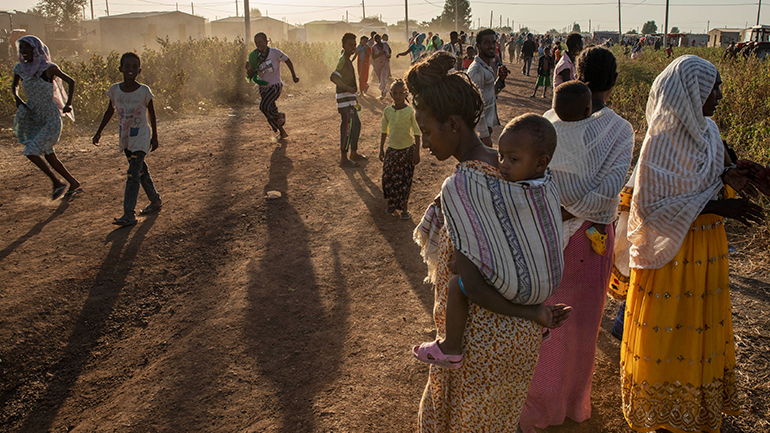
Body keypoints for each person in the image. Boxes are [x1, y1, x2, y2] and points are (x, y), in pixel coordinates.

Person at [407, 52, 571, 432]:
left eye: (428, 132)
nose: (425, 143)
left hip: (481, 342)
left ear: (453, 124)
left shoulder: (465, 185)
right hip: (520, 341)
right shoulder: (511, 170)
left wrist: (536, 314)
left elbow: (473, 286)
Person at [612, 55, 765, 433]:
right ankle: (663, 411)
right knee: (668, 330)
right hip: (671, 255)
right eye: (715, 87)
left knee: (699, 326)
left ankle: (695, 403)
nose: (720, 95)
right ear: (693, 92)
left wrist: (730, 174)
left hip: (706, 250)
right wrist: (718, 205)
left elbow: (704, 179)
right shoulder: (660, 142)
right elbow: (649, 207)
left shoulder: (710, 132)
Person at [519, 46, 634, 433]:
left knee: (548, 323)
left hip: (549, 235)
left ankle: (538, 404)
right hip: (592, 238)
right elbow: (609, 191)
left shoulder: (550, 119)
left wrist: (561, 209)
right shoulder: (621, 130)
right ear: (614, 81)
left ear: (576, 74)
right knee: (583, 323)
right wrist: (579, 211)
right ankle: (572, 403)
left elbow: (534, 177)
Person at [413, 112, 567, 368]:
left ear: (541, 163)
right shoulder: (546, 186)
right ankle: (535, 323)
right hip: (547, 287)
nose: (504, 165)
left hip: (518, 296)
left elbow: (482, 265)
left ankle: (450, 347)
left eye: (513, 159)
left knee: (457, 283)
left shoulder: (489, 188)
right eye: (502, 157)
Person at [92, 52, 162, 226]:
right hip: (126, 137)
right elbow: (110, 111)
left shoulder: (144, 91)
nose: (130, 69)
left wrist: (154, 136)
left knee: (132, 174)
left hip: (141, 137)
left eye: (134, 67)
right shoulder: (115, 90)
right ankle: (155, 200)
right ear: (120, 69)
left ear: (139, 70)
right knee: (140, 171)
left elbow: (152, 113)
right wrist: (99, 131)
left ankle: (129, 213)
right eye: (127, 66)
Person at [12, 35, 81, 200]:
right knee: (49, 154)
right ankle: (73, 183)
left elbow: (71, 82)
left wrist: (68, 104)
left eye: (27, 48)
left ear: (35, 49)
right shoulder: (20, 69)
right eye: (21, 49)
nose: (23, 52)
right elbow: (14, 86)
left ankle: (57, 182)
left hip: (50, 118)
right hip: (34, 116)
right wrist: (17, 98)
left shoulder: (48, 69)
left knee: (31, 152)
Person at [379, 80, 421, 219]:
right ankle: (392, 203)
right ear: (390, 94)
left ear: (406, 94)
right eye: (395, 93)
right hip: (392, 150)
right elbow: (384, 130)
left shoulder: (410, 111)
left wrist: (417, 152)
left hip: (407, 151)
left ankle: (404, 209)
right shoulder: (387, 111)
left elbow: (416, 132)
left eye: (401, 93)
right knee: (387, 178)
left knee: (404, 181)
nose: (398, 96)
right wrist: (381, 148)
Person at [245, 32, 299, 140]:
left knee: (264, 106)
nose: (258, 45)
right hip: (263, 87)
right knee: (270, 109)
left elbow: (287, 61)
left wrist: (294, 75)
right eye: (256, 43)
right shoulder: (254, 56)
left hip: (275, 86)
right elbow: (251, 75)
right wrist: (248, 69)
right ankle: (282, 131)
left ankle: (279, 117)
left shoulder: (274, 53)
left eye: (260, 42)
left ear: (266, 41)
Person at [467, 29, 509, 146]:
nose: (491, 46)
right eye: (486, 43)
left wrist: (500, 80)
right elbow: (475, 105)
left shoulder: (486, 67)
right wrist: (484, 136)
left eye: (493, 42)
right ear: (478, 46)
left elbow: (490, 94)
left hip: (485, 127)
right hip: (478, 132)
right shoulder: (477, 70)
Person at [331, 33, 367, 168]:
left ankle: (353, 153)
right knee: (347, 128)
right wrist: (348, 89)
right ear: (343, 46)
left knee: (356, 125)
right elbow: (333, 77)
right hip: (345, 101)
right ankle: (344, 158)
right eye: (350, 45)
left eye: (354, 45)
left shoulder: (347, 60)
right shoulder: (343, 61)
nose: (353, 48)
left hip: (350, 101)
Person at [371, 34, 391, 100]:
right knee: (380, 78)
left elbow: (390, 50)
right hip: (377, 64)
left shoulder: (385, 44)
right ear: (375, 40)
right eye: (376, 39)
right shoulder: (374, 47)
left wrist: (389, 55)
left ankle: (383, 91)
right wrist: (380, 54)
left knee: (383, 77)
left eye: (379, 38)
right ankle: (383, 91)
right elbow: (373, 57)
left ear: (380, 38)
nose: (378, 40)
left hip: (385, 63)